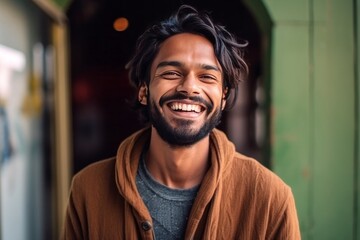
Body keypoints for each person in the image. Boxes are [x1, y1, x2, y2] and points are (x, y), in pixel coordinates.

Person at [62, 5, 301, 240]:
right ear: (144, 90)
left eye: (207, 77)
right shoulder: (88, 190)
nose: (189, 87)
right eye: (171, 73)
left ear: (224, 96)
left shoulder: (271, 198)